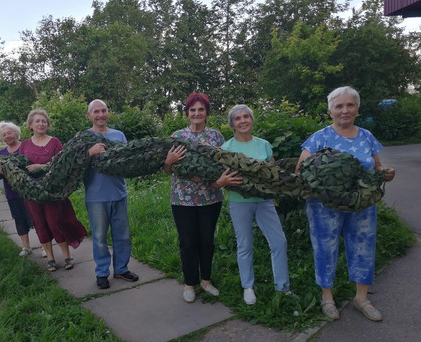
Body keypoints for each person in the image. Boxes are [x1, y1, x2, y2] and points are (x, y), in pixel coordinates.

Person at [295, 86, 395, 321]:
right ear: (330, 111)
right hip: (324, 207)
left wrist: (385, 173)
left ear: (357, 109)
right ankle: (327, 298)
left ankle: (361, 299)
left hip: (361, 205)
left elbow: (376, 166)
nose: (344, 110)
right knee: (325, 247)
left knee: (363, 247)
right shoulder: (320, 137)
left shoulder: (366, 136)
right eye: (339, 106)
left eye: (350, 105)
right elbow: (300, 170)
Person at [163, 92, 242, 303]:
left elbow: (223, 166)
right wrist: (169, 160)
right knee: (188, 241)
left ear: (206, 113)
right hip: (182, 199)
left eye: (201, 110)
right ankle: (190, 283)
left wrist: (219, 181)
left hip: (210, 198)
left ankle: (206, 280)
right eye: (192, 110)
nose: (197, 113)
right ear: (187, 113)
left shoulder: (216, 137)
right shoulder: (176, 136)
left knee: (206, 240)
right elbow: (165, 169)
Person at [221, 105, 291, 305]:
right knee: (245, 245)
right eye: (237, 118)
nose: (243, 121)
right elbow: (223, 176)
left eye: (246, 117)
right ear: (232, 124)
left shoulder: (264, 145)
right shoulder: (227, 148)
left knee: (279, 242)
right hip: (239, 202)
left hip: (264, 202)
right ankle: (248, 287)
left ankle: (283, 287)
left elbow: (274, 171)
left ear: (251, 120)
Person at [19, 109, 87, 272]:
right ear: (30, 125)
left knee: (55, 222)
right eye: (37, 121)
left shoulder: (55, 142)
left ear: (48, 125)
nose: (41, 124)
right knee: (40, 224)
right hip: (32, 194)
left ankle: (66, 256)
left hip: (52, 193)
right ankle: (50, 258)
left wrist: (41, 167)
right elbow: (19, 167)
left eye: (44, 121)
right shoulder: (25, 145)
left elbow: (63, 165)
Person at [84, 99, 139, 289]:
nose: (101, 115)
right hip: (96, 197)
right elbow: (72, 166)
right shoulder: (83, 138)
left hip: (118, 194)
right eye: (96, 111)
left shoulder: (119, 135)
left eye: (104, 110)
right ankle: (101, 273)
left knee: (122, 236)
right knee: (99, 237)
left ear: (108, 112)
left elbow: (128, 161)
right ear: (89, 116)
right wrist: (88, 153)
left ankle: (122, 269)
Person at [0, 122, 45, 257]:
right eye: (4, 134)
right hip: (12, 192)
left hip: (29, 190)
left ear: (16, 133)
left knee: (36, 218)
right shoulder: (1, 153)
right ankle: (26, 247)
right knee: (19, 218)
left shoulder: (27, 146)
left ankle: (45, 245)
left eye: (9, 133)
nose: (7, 136)